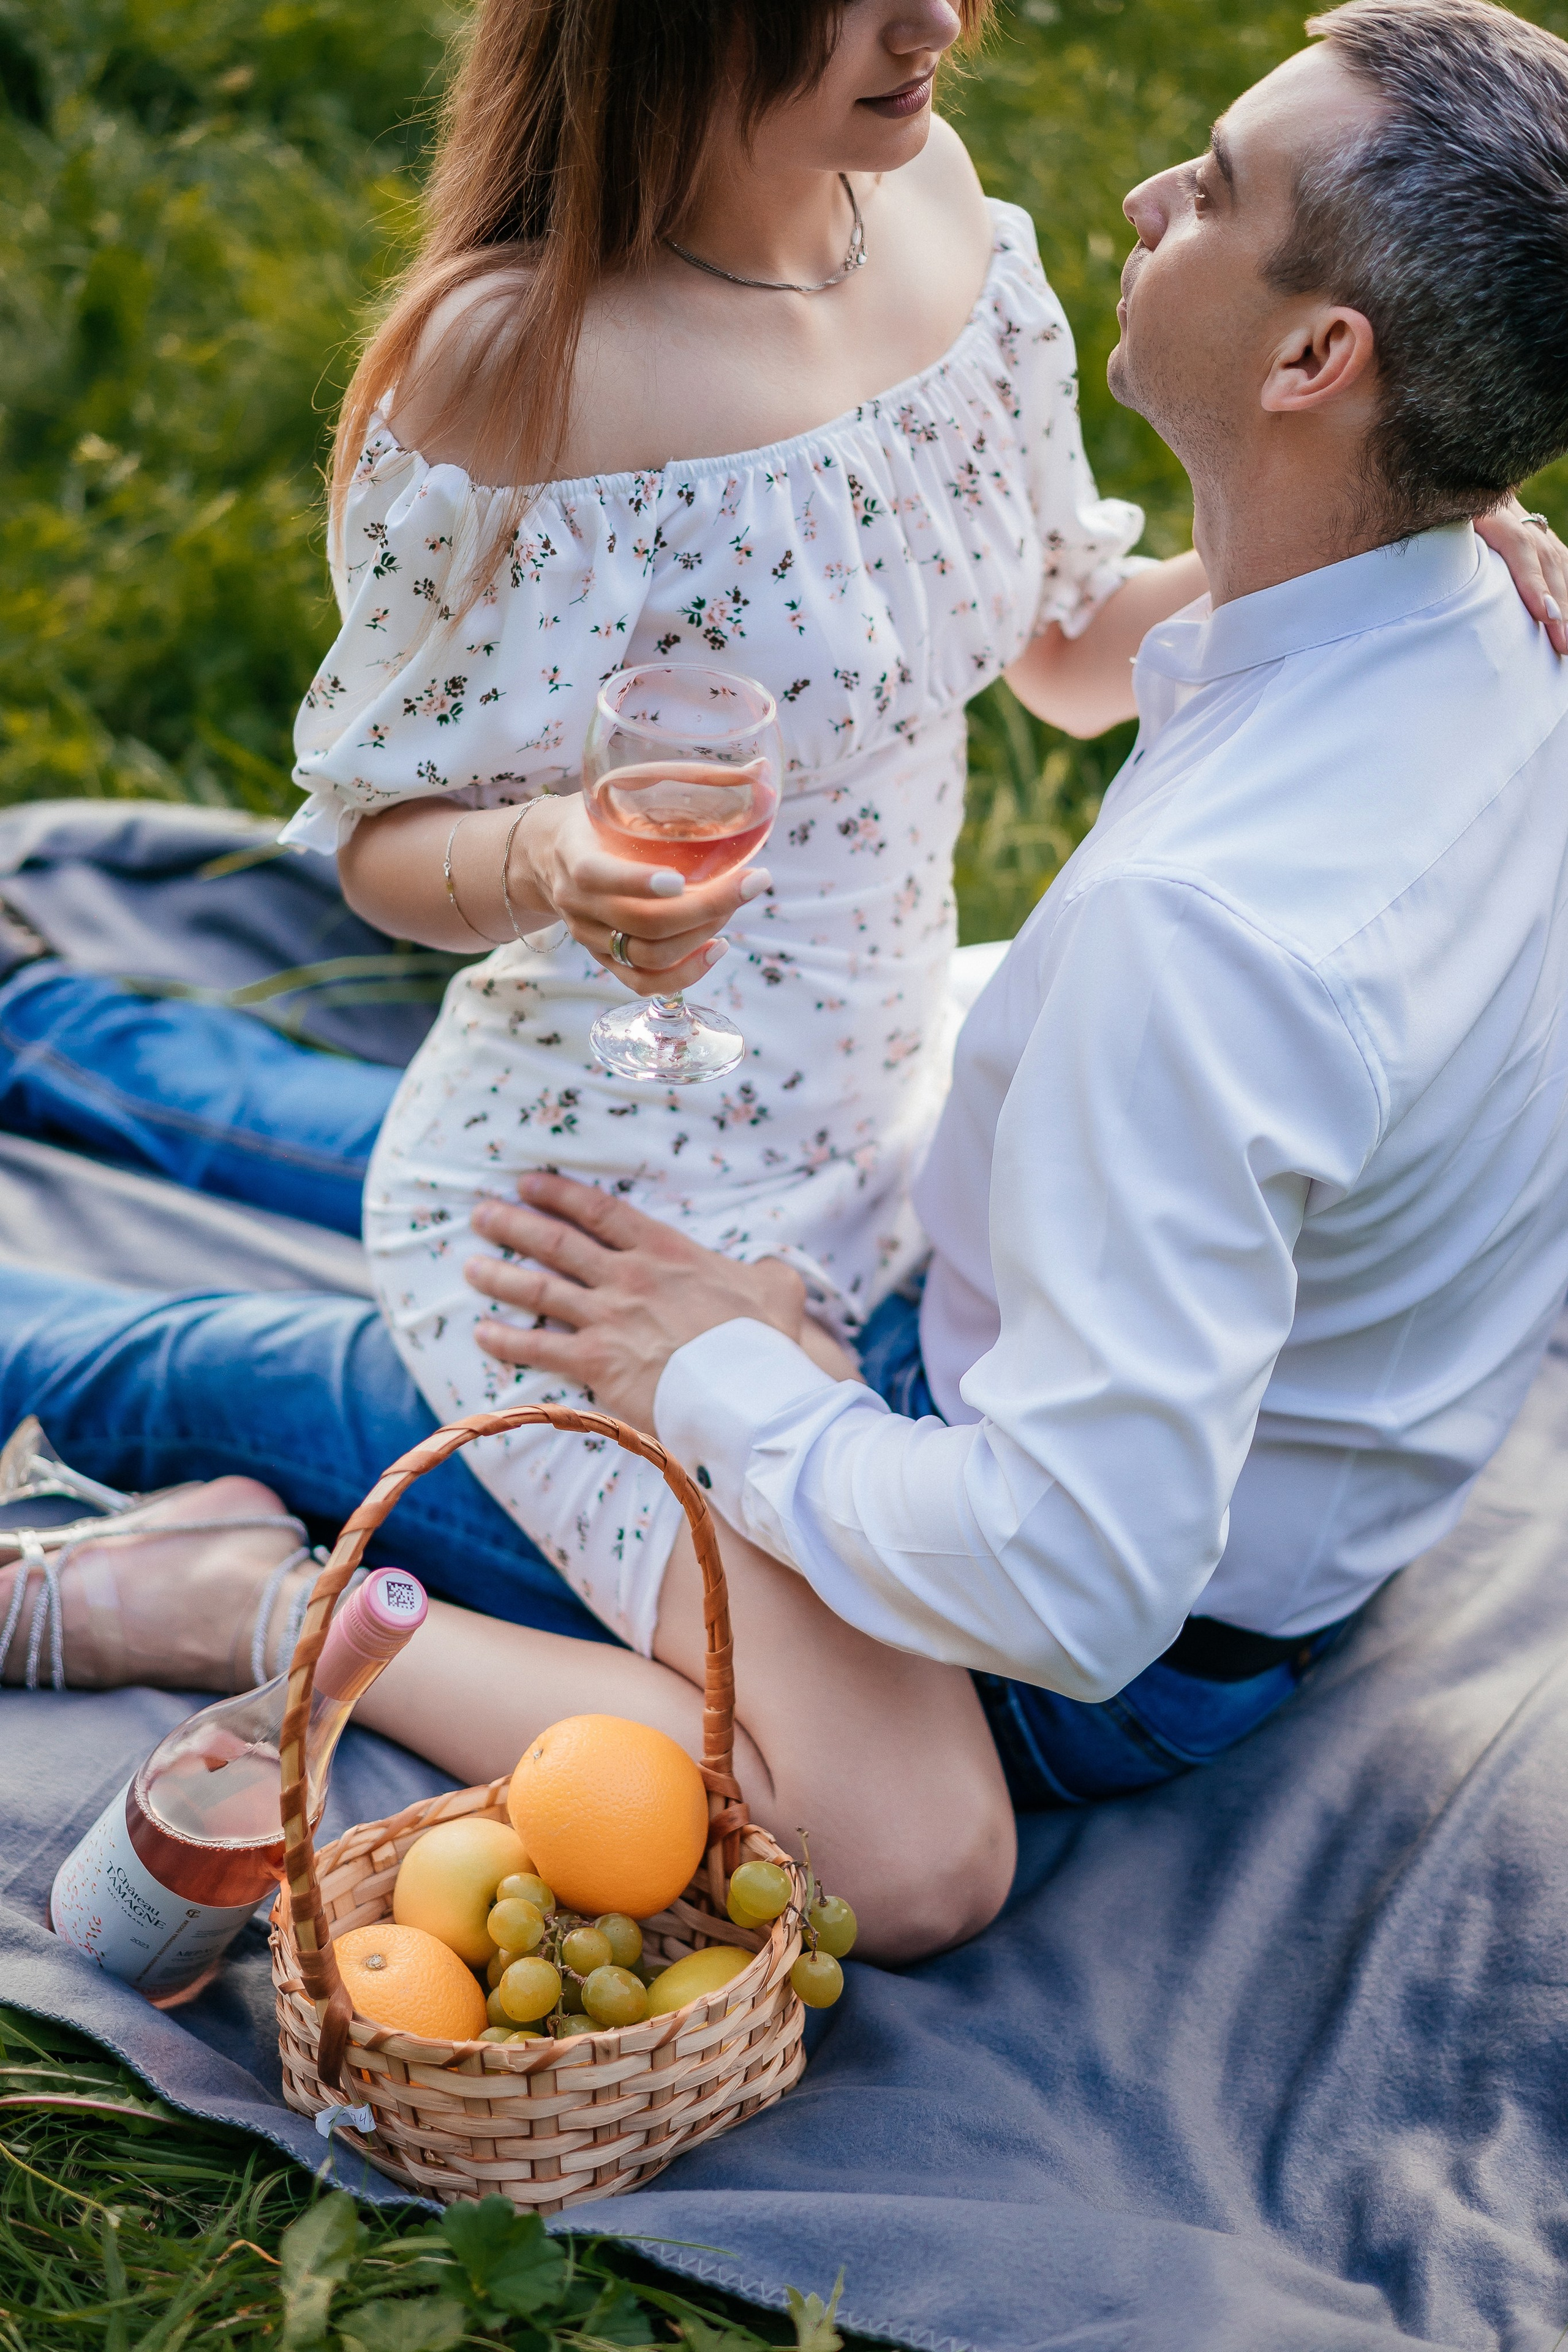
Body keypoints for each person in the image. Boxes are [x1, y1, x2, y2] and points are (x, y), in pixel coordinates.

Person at [4, 0, 1568, 1962]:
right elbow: (385, 835)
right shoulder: (525, 364)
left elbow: (1065, 641)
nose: (952, 26)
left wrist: (1418, 523)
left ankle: (228, 1573)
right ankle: (38, 1065)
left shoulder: (928, 212)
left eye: (1223, 190)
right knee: (342, 1311)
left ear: (1328, 356)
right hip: (620, 1131)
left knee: (883, 1820)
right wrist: (556, 861)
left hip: (886, 1105)